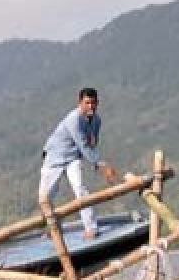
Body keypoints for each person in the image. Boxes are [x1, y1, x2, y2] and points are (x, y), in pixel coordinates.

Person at [40, 87, 120, 240]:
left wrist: (99, 165)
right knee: (45, 197)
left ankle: (91, 227)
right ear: (80, 103)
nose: (90, 106)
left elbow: (91, 144)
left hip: (73, 158)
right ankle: (54, 228)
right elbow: (83, 144)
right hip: (54, 157)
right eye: (87, 103)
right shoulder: (73, 119)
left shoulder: (96, 120)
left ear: (98, 103)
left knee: (80, 188)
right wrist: (101, 164)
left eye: (93, 103)